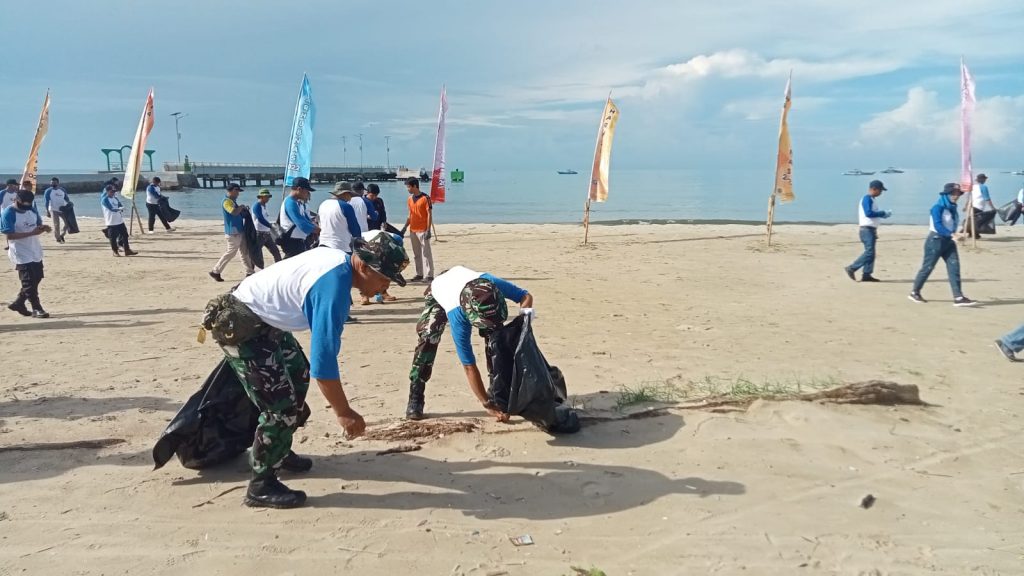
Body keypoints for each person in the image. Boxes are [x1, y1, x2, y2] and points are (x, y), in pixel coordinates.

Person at [201, 233, 408, 508]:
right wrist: (344, 413)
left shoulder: (339, 262)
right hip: (241, 324)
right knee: (281, 407)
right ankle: (261, 484)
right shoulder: (333, 290)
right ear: (364, 266)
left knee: (299, 375)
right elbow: (325, 365)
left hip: (267, 321)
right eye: (385, 277)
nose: (386, 284)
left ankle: (278, 449)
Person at [405, 266, 534, 420]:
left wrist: (524, 325)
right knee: (429, 336)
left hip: (469, 287)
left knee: (495, 335)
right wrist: (486, 404)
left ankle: (497, 388)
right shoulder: (458, 317)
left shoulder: (491, 282)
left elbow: (525, 296)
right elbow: (469, 366)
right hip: (439, 291)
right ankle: (416, 394)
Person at [908, 183, 977, 306]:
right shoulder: (937, 208)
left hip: (949, 242)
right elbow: (938, 225)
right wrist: (952, 235)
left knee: (954, 267)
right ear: (946, 194)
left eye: (957, 194)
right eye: (953, 193)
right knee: (927, 267)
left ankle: (958, 297)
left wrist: (958, 235)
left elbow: (952, 225)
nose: (955, 196)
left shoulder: (952, 208)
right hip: (935, 240)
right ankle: (915, 292)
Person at [2, 189, 51, 318]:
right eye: (24, 204)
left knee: (38, 277)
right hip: (20, 251)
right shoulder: (9, 213)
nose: (26, 207)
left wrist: (44, 228)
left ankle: (19, 302)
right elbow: (10, 235)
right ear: (17, 200)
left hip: (34, 248)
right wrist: (31, 233)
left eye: (29, 204)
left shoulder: (32, 209)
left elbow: (38, 225)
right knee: (28, 281)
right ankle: (37, 308)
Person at [845, 180, 892, 282]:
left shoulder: (872, 199)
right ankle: (852, 268)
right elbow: (868, 213)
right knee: (869, 252)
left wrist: (882, 215)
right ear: (874, 189)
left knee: (871, 252)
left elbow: (872, 214)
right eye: (880, 190)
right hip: (866, 230)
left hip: (870, 229)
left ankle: (867, 274)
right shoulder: (867, 199)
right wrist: (882, 213)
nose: (881, 193)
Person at [209, 184, 254, 282]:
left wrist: (243, 211)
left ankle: (250, 272)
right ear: (232, 190)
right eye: (237, 191)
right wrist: (241, 207)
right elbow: (233, 212)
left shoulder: (233, 202)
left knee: (245, 252)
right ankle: (215, 271)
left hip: (239, 230)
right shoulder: (226, 202)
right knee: (231, 252)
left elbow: (238, 215)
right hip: (232, 232)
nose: (238, 194)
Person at [402, 177, 434, 282]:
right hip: (413, 229)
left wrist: (428, 230)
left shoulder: (425, 198)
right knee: (416, 254)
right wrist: (405, 227)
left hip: (423, 229)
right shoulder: (410, 199)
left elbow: (429, 214)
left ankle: (429, 275)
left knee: (426, 253)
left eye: (409, 187)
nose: (408, 189)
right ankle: (419, 274)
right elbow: (410, 214)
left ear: (415, 186)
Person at [278, 177, 319, 258]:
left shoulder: (298, 203)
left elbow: (306, 219)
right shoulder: (290, 202)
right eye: (307, 191)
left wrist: (316, 227)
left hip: (299, 241)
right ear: (299, 189)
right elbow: (301, 223)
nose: (308, 193)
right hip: (291, 242)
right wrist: (317, 230)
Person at [317, 183, 362, 253]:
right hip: (341, 247)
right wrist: (360, 241)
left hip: (323, 244)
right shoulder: (346, 206)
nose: (350, 198)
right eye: (350, 195)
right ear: (345, 193)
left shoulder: (322, 204)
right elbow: (355, 229)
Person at [101, 184, 137, 256]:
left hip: (119, 220)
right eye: (111, 191)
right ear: (107, 191)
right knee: (113, 237)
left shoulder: (115, 198)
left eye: (114, 191)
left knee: (125, 235)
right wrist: (119, 209)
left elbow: (120, 205)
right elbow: (111, 208)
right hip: (111, 221)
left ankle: (127, 250)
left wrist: (122, 208)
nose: (113, 193)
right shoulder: (105, 200)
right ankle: (115, 251)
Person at [252, 189, 282, 265]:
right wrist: (270, 226)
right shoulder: (257, 206)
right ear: (261, 197)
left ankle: (279, 266)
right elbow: (260, 218)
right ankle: (250, 271)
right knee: (256, 253)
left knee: (275, 251)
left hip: (267, 234)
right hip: (259, 234)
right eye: (266, 197)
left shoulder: (264, 206)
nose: (268, 198)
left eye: (268, 197)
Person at [967, 173, 997, 238]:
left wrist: (966, 206)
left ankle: (971, 234)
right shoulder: (983, 187)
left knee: (972, 220)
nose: (985, 180)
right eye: (984, 179)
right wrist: (992, 208)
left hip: (971, 206)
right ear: (982, 179)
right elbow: (987, 199)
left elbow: (969, 197)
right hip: (978, 207)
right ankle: (974, 235)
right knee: (978, 221)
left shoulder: (973, 186)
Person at [43, 177, 71, 244]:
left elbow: (66, 198)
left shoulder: (62, 190)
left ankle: (62, 235)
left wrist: (70, 203)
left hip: (62, 209)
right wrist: (47, 211)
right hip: (53, 210)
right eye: (52, 183)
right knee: (56, 224)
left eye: (54, 182)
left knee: (68, 223)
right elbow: (46, 201)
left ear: (58, 183)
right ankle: (58, 238)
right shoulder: (48, 191)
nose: (53, 184)